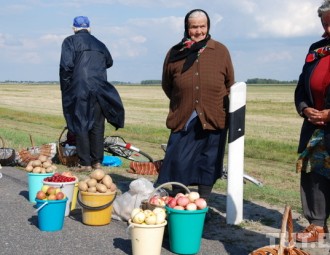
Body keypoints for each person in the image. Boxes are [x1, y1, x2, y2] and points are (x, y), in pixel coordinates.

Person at [156, 9, 235, 202]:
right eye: (194, 27)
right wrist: (183, 100)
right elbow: (167, 84)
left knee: (208, 160)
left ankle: (203, 202)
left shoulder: (220, 50)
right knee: (178, 160)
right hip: (184, 116)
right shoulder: (176, 53)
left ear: (208, 27)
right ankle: (177, 201)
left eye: (202, 26)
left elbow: (230, 83)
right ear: (186, 28)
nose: (198, 31)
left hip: (213, 115)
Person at [59, 16, 125, 172]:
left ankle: (85, 163)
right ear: (89, 28)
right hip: (100, 88)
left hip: (79, 88)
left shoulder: (69, 41)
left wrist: (66, 88)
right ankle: (97, 162)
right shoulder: (100, 44)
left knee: (81, 123)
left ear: (74, 28)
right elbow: (109, 62)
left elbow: (66, 66)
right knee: (97, 125)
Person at [294, 0, 330, 243]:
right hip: (314, 125)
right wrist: (305, 108)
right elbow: (301, 87)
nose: (328, 30)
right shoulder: (316, 49)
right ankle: (316, 225)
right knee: (314, 173)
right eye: (325, 24)